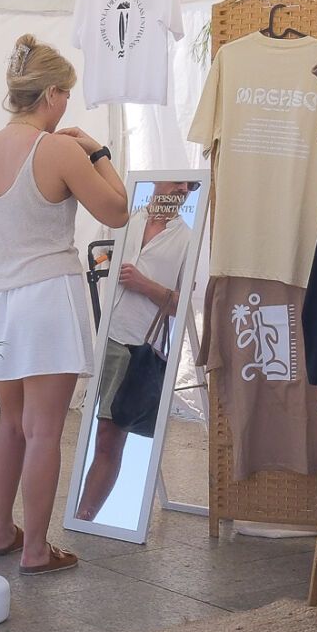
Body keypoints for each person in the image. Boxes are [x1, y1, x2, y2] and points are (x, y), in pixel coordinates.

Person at [0, 35, 129, 574]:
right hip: (46, 296)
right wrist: (100, 152)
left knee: (9, 424)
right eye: (66, 96)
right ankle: (36, 548)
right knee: (43, 430)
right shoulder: (60, 149)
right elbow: (117, 211)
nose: (68, 106)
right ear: (53, 95)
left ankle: (0, 531)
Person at [76, 180, 199, 521]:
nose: (182, 190)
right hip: (105, 338)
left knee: (109, 436)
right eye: (177, 182)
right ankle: (84, 514)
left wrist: (145, 285)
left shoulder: (187, 238)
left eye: (190, 186)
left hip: (137, 346)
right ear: (156, 182)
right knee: (99, 432)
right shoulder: (123, 221)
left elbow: (182, 305)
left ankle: (85, 516)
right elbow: (99, 263)